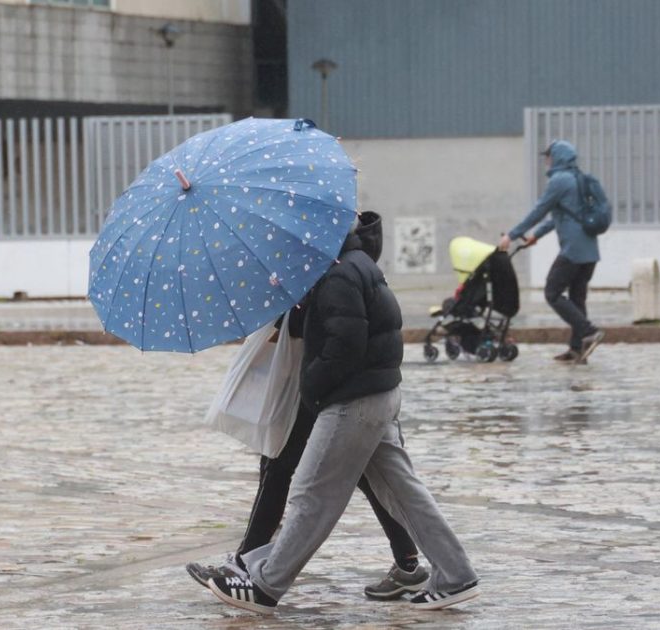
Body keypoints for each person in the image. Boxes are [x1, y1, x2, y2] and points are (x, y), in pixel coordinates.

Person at [205, 211, 480, 614]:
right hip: (379, 393)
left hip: (353, 401)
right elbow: (331, 326)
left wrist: (311, 386)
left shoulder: (337, 276)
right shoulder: (353, 264)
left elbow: (344, 346)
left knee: (310, 494)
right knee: (402, 492)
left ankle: (265, 586)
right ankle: (457, 576)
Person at [499, 140, 605, 364]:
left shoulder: (559, 181)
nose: (546, 161)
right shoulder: (576, 178)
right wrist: (536, 236)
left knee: (552, 292)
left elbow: (540, 210)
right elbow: (559, 216)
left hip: (573, 250)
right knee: (577, 298)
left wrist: (511, 234)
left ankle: (588, 331)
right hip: (590, 250)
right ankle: (577, 350)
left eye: (548, 156)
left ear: (557, 157)